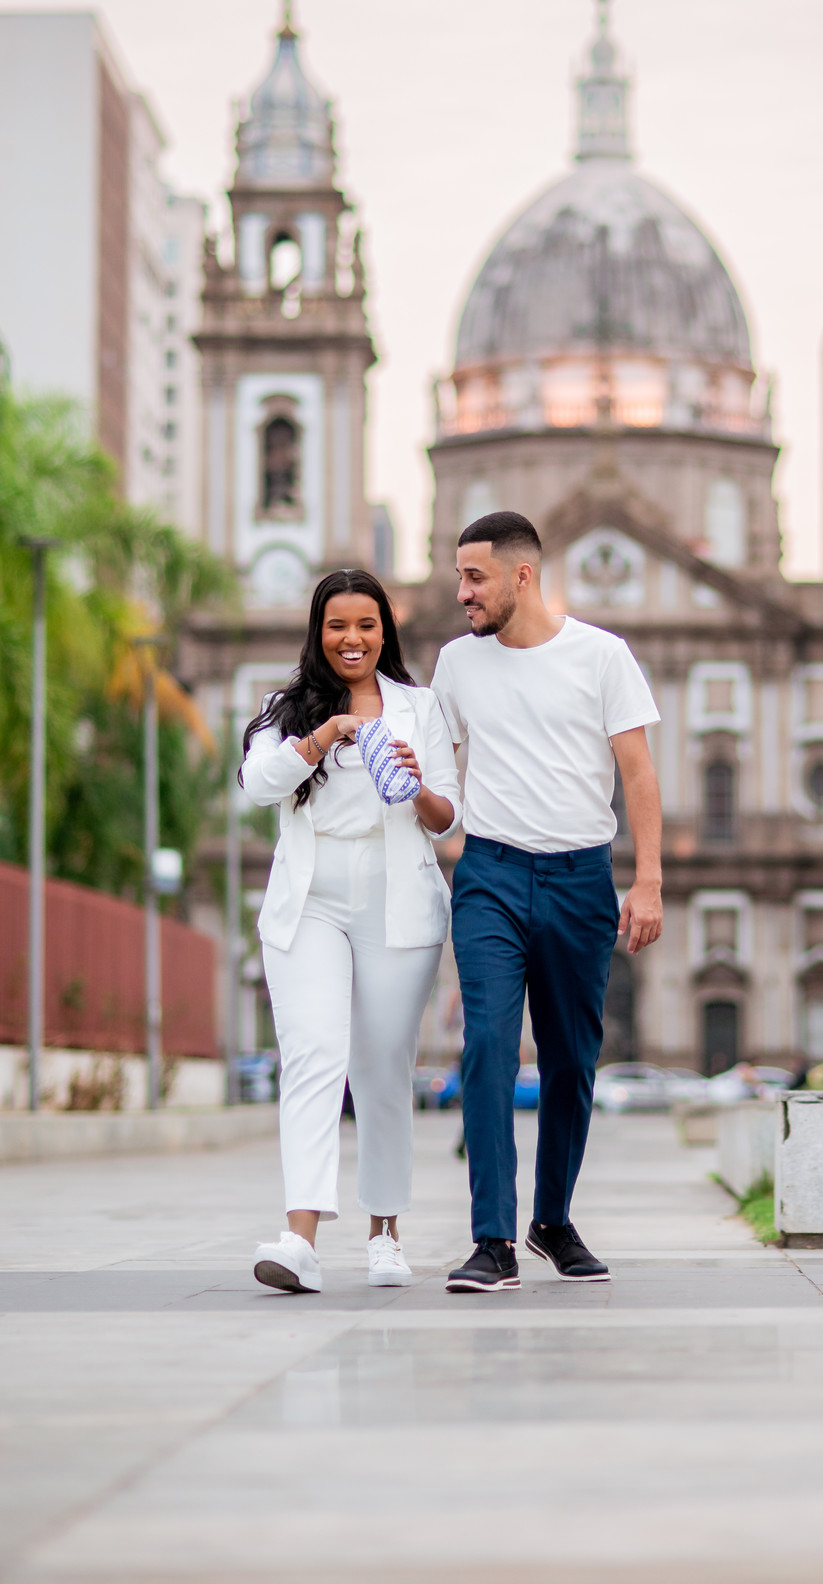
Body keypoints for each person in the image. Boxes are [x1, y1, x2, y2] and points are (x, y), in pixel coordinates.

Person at [431, 511, 663, 1292]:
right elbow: (442, 770)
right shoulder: (455, 663)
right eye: (459, 577)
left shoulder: (601, 656)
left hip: (580, 878)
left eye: (474, 578)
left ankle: (551, 1221)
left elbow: (637, 773)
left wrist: (647, 880)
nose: (461, 592)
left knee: (570, 1060)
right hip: (489, 877)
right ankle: (491, 1239)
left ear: (520, 577)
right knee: (489, 1047)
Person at [241, 568, 460, 1294]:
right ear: (319, 632)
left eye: (366, 624)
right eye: (337, 625)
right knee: (312, 1055)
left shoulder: (419, 707)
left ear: (384, 632)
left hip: (397, 897)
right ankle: (300, 1241)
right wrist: (324, 734)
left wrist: (415, 784)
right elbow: (257, 785)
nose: (352, 638)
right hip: (310, 898)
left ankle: (385, 1234)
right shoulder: (284, 709)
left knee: (383, 1068)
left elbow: (447, 817)